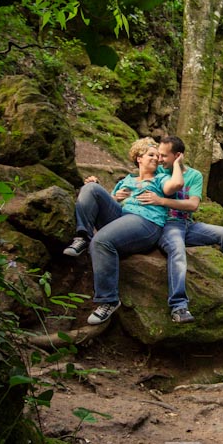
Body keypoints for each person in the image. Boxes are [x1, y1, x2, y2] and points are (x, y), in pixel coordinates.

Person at [135, 135, 223, 324]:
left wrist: (161, 200)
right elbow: (137, 180)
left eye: (164, 156)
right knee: (177, 250)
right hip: (168, 225)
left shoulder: (194, 176)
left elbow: (193, 205)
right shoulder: (159, 173)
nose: (159, 159)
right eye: (158, 155)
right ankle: (178, 307)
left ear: (177, 156)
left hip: (188, 224)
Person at [63, 137, 185, 325]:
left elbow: (176, 185)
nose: (157, 159)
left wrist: (177, 163)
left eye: (159, 156)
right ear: (139, 158)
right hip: (122, 216)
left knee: (101, 241)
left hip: (146, 222)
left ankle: (108, 301)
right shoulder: (127, 180)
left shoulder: (161, 178)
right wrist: (113, 196)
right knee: (91, 188)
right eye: (151, 155)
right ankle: (82, 236)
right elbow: (106, 202)